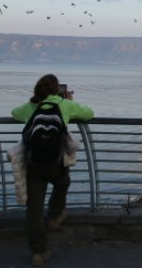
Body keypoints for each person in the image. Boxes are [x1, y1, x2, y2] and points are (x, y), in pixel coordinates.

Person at [11, 73, 94, 266]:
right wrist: (70, 101)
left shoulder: (31, 106)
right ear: (57, 89)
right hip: (56, 164)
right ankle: (56, 215)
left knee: (34, 209)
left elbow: (14, 113)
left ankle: (39, 252)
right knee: (63, 182)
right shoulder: (63, 104)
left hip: (33, 164)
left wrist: (31, 104)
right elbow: (89, 113)